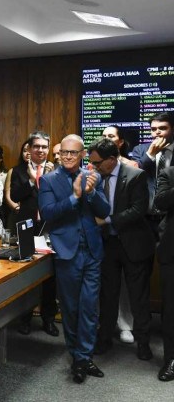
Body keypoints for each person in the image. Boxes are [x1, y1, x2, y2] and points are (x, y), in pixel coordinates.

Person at [38, 134, 110, 384]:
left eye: (73, 153)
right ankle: (77, 355)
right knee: (70, 307)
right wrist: (75, 197)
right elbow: (47, 212)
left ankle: (83, 357)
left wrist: (90, 194)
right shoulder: (48, 180)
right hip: (67, 251)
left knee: (90, 307)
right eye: (63, 153)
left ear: (82, 156)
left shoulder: (93, 176)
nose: (67, 156)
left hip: (92, 250)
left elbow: (105, 211)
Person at [88, 138, 154, 361]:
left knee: (138, 297)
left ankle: (143, 343)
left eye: (97, 163)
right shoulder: (96, 177)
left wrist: (107, 220)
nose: (94, 167)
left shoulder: (135, 175)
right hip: (108, 245)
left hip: (133, 245)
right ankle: (104, 339)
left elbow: (138, 209)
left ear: (112, 160)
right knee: (108, 296)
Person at [10, 131, 58, 337]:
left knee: (49, 278)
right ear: (28, 149)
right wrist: (31, 181)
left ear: (48, 149)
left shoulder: (56, 170)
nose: (40, 150)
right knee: (27, 277)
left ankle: (49, 318)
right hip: (26, 228)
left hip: (49, 229)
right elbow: (14, 196)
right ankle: (25, 318)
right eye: (36, 146)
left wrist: (47, 177)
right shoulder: (18, 170)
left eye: (44, 147)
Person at [101, 125, 139, 343]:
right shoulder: (94, 167)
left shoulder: (131, 166)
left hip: (126, 234)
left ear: (120, 142)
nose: (107, 139)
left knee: (125, 285)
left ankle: (126, 324)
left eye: (111, 136)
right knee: (107, 286)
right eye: (104, 136)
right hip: (103, 236)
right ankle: (105, 326)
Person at [131, 111, 173, 236]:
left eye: (163, 128)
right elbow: (134, 176)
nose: (157, 132)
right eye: (153, 129)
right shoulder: (140, 150)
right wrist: (150, 155)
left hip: (170, 216)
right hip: (145, 217)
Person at [155, 166, 174, 381]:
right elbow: (159, 203)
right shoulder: (169, 174)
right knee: (171, 309)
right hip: (172, 252)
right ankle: (171, 358)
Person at [4, 141, 30, 234]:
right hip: (17, 212)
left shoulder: (41, 169)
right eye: (24, 151)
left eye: (30, 150)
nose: (27, 153)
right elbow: (7, 195)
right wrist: (15, 207)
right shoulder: (13, 170)